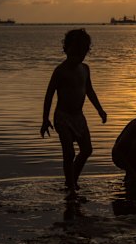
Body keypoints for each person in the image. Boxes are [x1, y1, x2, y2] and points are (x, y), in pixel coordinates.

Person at [40, 28, 107, 199]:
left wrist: (100, 109)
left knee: (87, 150)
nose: (77, 57)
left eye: (81, 53)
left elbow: (89, 90)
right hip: (62, 117)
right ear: (66, 49)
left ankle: (72, 180)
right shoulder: (60, 71)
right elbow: (49, 95)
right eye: (74, 52)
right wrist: (45, 119)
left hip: (78, 117)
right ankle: (70, 187)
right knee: (69, 153)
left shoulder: (85, 69)